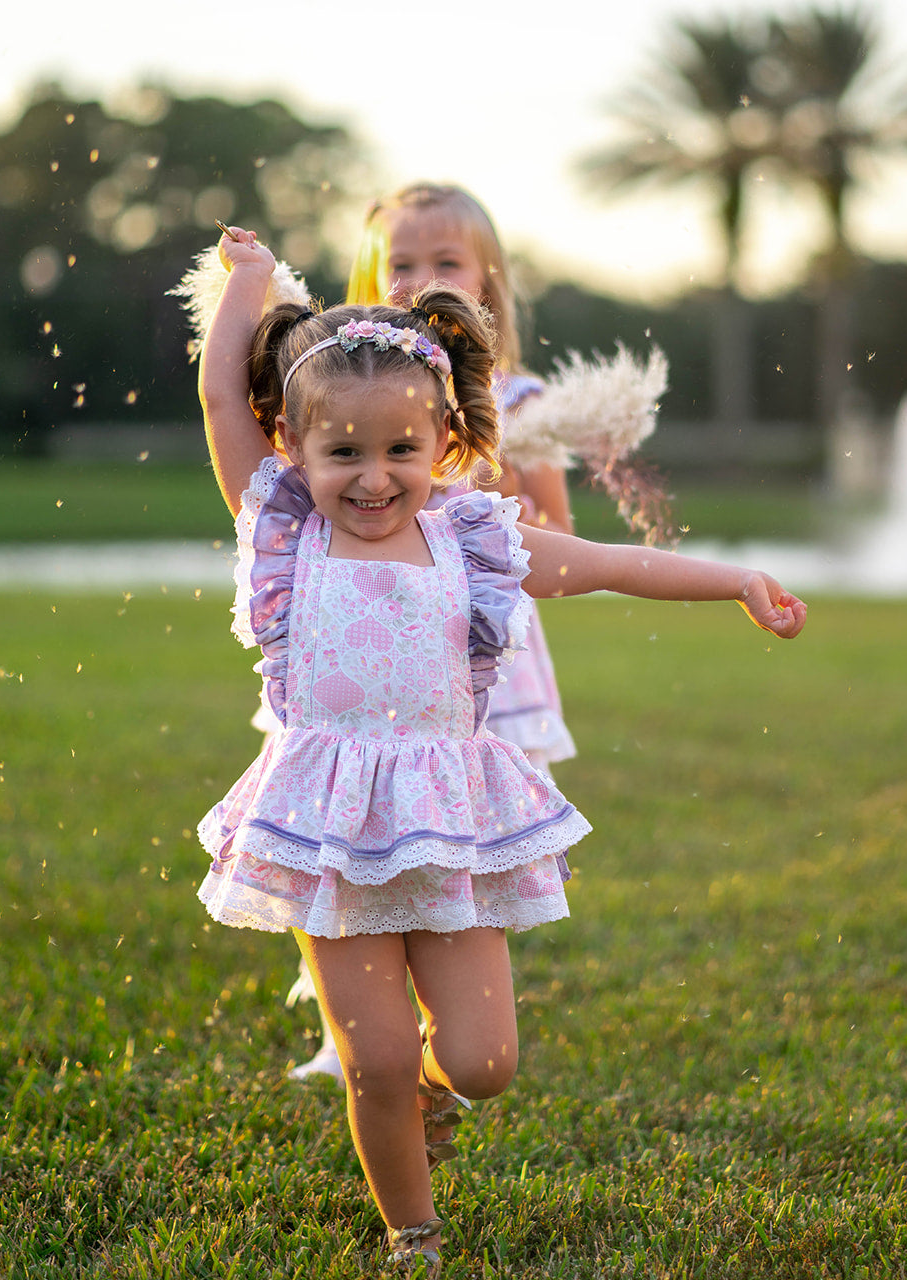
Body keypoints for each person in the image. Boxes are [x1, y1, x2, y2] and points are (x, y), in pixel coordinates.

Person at [196, 226, 806, 1270]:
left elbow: (611, 561)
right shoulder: (284, 532)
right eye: (342, 450)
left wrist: (735, 580)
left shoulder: (475, 537)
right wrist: (246, 284)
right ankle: (412, 1232)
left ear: (443, 440)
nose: (373, 475)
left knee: (479, 1060)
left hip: (454, 822)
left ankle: (435, 1100)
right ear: (293, 447)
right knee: (376, 1057)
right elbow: (219, 403)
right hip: (327, 824)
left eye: (399, 448)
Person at [290, 183, 581, 1085]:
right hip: (366, 646)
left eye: (442, 264)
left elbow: (561, 537)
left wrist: (503, 502)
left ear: (485, 280)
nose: (418, 278)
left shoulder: (522, 401)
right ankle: (355, 1035)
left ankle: (443, 1028)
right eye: (398, 264)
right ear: (369, 279)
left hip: (469, 651)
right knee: (349, 827)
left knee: (453, 839)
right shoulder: (349, 393)